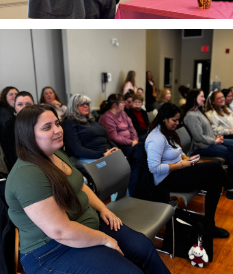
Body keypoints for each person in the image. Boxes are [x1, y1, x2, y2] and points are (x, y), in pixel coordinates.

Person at [6, 105, 170, 274]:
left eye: (57, 123)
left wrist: (103, 209)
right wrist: (105, 239)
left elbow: (80, 186)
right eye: (47, 127)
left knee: (145, 249)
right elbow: (60, 231)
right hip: (52, 250)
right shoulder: (27, 174)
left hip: (85, 224)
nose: (57, 130)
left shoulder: (56, 154)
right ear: (28, 135)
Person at [147, 103, 233, 243]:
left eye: (178, 120)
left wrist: (187, 159)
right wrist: (181, 165)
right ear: (164, 119)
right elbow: (154, 168)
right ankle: (232, 190)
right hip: (167, 179)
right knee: (215, 167)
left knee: (214, 181)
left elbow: (178, 151)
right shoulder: (155, 138)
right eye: (174, 120)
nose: (177, 123)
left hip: (179, 170)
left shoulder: (168, 132)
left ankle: (210, 225)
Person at [182, 90, 233, 189]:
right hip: (202, 146)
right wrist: (214, 141)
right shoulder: (191, 115)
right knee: (231, 151)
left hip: (209, 141)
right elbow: (198, 137)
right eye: (201, 97)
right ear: (194, 98)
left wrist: (216, 137)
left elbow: (208, 130)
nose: (204, 99)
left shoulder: (198, 111)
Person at [60, 95, 118, 165]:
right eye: (81, 104)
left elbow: (105, 138)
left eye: (87, 104)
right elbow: (77, 150)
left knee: (125, 163)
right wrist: (103, 154)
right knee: (112, 168)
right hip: (86, 158)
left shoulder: (91, 121)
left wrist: (115, 149)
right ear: (73, 107)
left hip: (106, 155)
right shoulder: (69, 123)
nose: (85, 106)